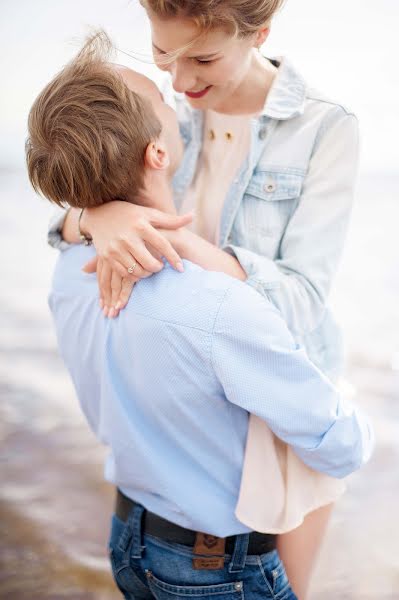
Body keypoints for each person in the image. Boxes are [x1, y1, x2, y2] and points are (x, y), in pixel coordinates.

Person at [27, 34, 373, 600]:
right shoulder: (220, 305)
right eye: (163, 103)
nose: (179, 94)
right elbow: (342, 446)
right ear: (158, 154)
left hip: (129, 540)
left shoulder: (69, 274)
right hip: (216, 569)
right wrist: (360, 419)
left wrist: (94, 213)